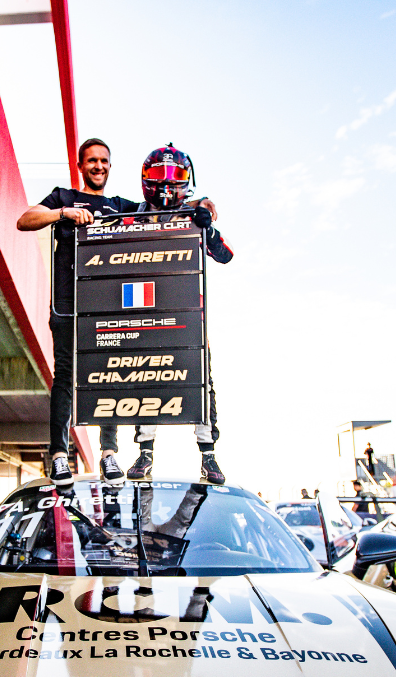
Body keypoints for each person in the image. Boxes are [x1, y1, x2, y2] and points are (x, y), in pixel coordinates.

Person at [16, 138, 217, 486]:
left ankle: (109, 454)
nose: (98, 166)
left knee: (109, 374)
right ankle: (59, 456)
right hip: (67, 306)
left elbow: (166, 205)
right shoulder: (63, 196)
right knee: (65, 377)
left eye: (104, 161)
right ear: (80, 166)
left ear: (110, 166)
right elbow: (25, 219)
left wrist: (205, 205)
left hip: (105, 307)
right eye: (91, 161)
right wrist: (63, 214)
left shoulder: (120, 206)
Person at [123, 145, 234, 485]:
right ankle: (145, 452)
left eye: (176, 176)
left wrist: (208, 227)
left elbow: (225, 254)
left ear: (188, 180)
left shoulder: (194, 214)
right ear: (146, 180)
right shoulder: (131, 214)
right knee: (144, 377)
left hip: (188, 314)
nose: (168, 183)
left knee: (201, 383)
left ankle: (208, 455)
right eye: (160, 176)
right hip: (141, 310)